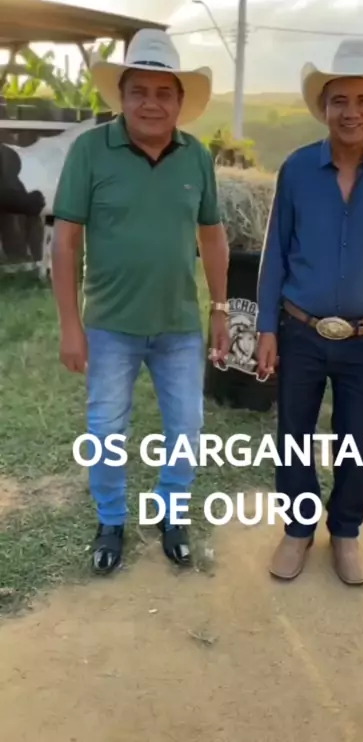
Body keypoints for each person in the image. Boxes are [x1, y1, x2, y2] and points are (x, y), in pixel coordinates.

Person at [51, 29, 230, 575]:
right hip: (110, 326)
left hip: (179, 326)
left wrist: (221, 310)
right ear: (122, 96)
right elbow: (65, 240)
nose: (151, 103)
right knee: (106, 432)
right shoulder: (90, 151)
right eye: (139, 92)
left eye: (163, 93)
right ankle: (111, 520)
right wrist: (70, 326)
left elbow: (213, 237)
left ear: (179, 101)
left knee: (187, 430)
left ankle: (171, 512)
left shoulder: (196, 158)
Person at [256, 39, 363, 586]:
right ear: (324, 107)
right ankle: (298, 530)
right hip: (300, 328)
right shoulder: (298, 169)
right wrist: (266, 328)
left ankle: (345, 533)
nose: (352, 112)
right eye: (339, 100)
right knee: (294, 434)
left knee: (357, 440)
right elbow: (276, 252)